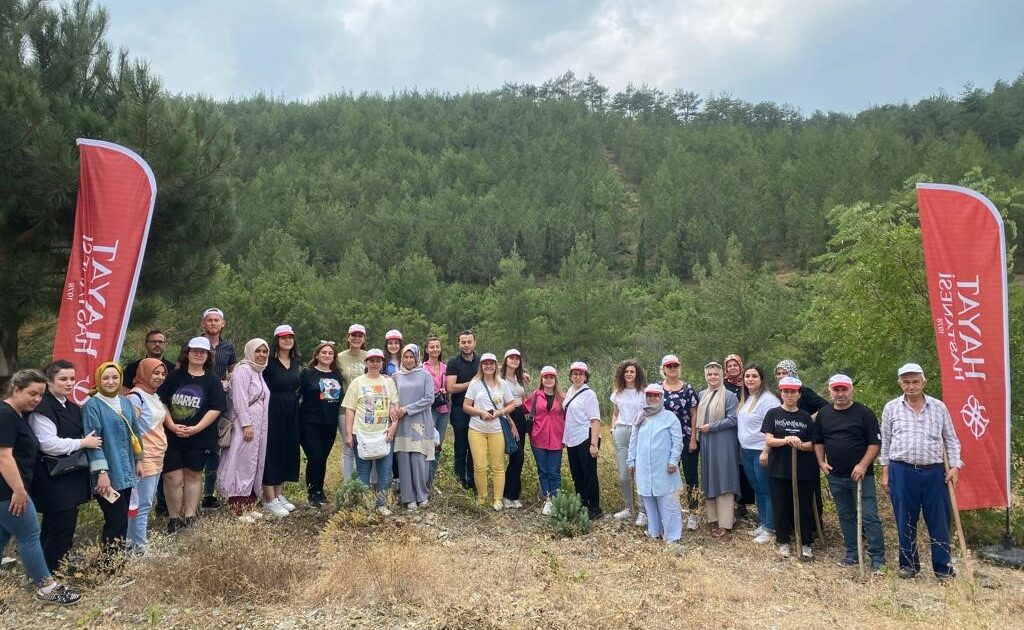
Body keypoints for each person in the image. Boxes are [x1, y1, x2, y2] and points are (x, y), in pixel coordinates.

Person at [0, 369, 82, 605]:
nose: (37, 399)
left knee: (2, 539)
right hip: (9, 491)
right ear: (16, 389)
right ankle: (47, 587)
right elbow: (4, 457)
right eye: (32, 394)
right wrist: (18, 490)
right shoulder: (5, 414)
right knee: (30, 537)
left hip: (11, 489)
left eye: (40, 395)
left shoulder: (16, 414)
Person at [880, 363, 961, 580]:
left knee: (939, 520)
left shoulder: (939, 407)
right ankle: (909, 565)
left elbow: (951, 439)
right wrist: (885, 471)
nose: (911, 386)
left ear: (924, 382)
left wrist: (954, 466)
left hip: (935, 472)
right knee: (905, 519)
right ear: (900, 383)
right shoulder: (891, 408)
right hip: (901, 470)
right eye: (906, 382)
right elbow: (885, 442)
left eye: (915, 381)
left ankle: (943, 568)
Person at [28, 360, 99, 574]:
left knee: (62, 523)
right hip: (51, 476)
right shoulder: (43, 408)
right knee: (58, 526)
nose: (69, 383)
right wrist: (81, 443)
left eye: (72, 379)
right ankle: (51, 571)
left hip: (71, 474)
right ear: (49, 381)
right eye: (63, 379)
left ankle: (53, 566)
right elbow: (47, 443)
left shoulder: (71, 406)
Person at [813, 374, 886, 572]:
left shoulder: (864, 413)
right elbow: (818, 440)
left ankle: (878, 558)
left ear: (851, 389)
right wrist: (821, 462)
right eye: (836, 390)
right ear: (830, 391)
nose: (840, 393)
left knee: (869, 516)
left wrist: (862, 465)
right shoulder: (824, 414)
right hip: (835, 475)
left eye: (844, 389)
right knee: (845, 515)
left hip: (862, 476)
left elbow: (875, 443)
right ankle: (852, 552)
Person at [159, 337, 227, 532]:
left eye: (203, 351)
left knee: (193, 476)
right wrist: (171, 425)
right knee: (172, 478)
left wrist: (197, 428)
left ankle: (190, 516)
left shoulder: (212, 380)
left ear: (208, 356)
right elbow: (162, 402)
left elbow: (216, 408)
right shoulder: (174, 376)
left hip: (200, 437)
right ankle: (174, 518)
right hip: (172, 436)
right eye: (194, 350)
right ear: (187, 353)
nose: (198, 354)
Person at [81, 362, 144, 567]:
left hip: (126, 469)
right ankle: (109, 566)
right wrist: (101, 472)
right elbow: (93, 442)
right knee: (115, 519)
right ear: (99, 380)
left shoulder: (125, 402)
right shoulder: (93, 405)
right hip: (107, 473)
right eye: (106, 378)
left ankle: (116, 562)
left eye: (115, 378)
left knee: (123, 519)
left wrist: (139, 460)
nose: (110, 382)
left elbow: (135, 432)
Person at [216, 339, 272, 521]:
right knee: (241, 463)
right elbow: (239, 399)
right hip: (244, 426)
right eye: (258, 351)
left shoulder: (258, 372)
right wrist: (246, 424)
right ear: (249, 351)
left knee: (253, 463)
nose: (261, 355)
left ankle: (249, 503)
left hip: (259, 425)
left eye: (265, 351)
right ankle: (238, 506)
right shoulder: (243, 370)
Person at [762, 376, 817, 559]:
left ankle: (806, 542)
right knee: (781, 506)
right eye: (786, 391)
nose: (789, 395)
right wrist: (786, 440)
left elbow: (813, 444)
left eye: (793, 391)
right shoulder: (773, 414)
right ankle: (783, 541)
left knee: (804, 507)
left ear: (799, 394)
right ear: (781, 394)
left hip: (803, 470)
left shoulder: (805, 417)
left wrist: (800, 444)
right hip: (779, 468)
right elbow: (769, 440)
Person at [342, 348, 399, 515]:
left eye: (378, 361)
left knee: (385, 471)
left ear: (382, 363)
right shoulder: (358, 383)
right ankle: (363, 505)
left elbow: (394, 407)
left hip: (384, 433)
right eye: (371, 361)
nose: (374, 364)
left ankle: (381, 504)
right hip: (361, 433)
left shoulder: (388, 382)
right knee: (363, 472)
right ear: (366, 363)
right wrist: (348, 433)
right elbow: (350, 409)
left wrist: (393, 427)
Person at [628, 384, 684, 546]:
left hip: (664, 466)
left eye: (656, 396)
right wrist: (631, 461)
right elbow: (634, 441)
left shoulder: (669, 417)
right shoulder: (641, 417)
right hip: (644, 466)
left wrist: (673, 460)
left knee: (668, 500)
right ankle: (655, 530)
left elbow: (677, 441)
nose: (653, 399)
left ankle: (673, 535)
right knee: (648, 497)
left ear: (661, 397)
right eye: (650, 395)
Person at [463, 353, 517, 511]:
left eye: (491, 363)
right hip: (477, 429)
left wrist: (499, 413)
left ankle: (498, 499)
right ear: (481, 366)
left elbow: (511, 404)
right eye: (485, 363)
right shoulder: (475, 383)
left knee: (498, 466)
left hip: (496, 429)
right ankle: (482, 497)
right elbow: (466, 406)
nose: (488, 366)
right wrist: (480, 412)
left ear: (496, 365)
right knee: (479, 466)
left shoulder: (502, 384)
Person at [125, 359, 170, 550]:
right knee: (141, 505)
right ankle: (138, 548)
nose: (159, 377)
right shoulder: (136, 396)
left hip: (157, 454)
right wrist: (137, 459)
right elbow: (130, 429)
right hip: (145, 457)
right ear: (144, 372)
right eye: (155, 373)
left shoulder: (153, 395)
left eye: (162, 373)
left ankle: (132, 545)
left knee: (144, 504)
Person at [693, 361, 739, 538]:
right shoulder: (702, 394)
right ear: (706, 376)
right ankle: (714, 518)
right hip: (706, 443)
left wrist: (712, 427)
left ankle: (726, 522)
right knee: (710, 476)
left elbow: (733, 420)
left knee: (724, 477)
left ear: (721, 376)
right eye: (709, 374)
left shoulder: (729, 396)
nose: (712, 377)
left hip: (724, 442)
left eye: (716, 374)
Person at [736, 364, 779, 545]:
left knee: (766, 489)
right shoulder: (747, 399)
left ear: (761, 379)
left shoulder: (768, 400)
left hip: (761, 451)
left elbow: (774, 429)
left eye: (754, 376)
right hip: (746, 451)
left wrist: (766, 451)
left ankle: (771, 528)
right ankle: (764, 523)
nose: (750, 379)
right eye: (747, 376)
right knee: (757, 489)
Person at [658, 355, 700, 530]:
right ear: (664, 369)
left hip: (685, 437)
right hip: (664, 440)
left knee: (691, 476)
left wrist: (693, 440)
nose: (672, 369)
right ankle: (669, 511)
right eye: (669, 366)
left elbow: (694, 415)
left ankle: (693, 513)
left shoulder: (688, 389)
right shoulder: (658, 389)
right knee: (667, 476)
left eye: (675, 365)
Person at [200, 308, 237, 510]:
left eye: (217, 320)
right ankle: (191, 492)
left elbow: (233, 372)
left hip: (219, 402)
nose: (213, 323)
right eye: (209, 320)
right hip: (197, 401)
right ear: (203, 324)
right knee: (197, 446)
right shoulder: (194, 345)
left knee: (215, 448)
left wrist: (227, 382)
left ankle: (209, 493)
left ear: (223, 324)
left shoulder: (228, 347)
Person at [262, 325, 301, 514]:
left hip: (291, 409)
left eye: (290, 337)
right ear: (276, 339)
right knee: (272, 450)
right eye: (283, 337)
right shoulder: (268, 362)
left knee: (286, 449)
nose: (287, 340)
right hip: (272, 409)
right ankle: (268, 497)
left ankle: (279, 494)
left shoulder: (294, 362)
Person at [299, 341, 342, 509]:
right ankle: (311, 491)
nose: (327, 355)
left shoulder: (337, 375)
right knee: (315, 456)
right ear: (317, 355)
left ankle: (320, 490)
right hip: (310, 422)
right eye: (323, 352)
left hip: (329, 423)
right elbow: (298, 395)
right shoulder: (308, 373)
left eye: (330, 353)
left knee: (323, 458)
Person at [392, 344, 435, 510]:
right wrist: (396, 411)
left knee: (418, 458)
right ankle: (408, 497)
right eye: (406, 357)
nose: (408, 360)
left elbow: (429, 398)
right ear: (402, 358)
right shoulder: (396, 377)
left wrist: (407, 409)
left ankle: (422, 494)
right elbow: (393, 399)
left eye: (411, 357)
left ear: (416, 358)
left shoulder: (425, 375)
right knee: (403, 459)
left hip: (420, 422)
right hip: (402, 423)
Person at [563, 361, 602, 520]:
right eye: (575, 374)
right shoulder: (570, 391)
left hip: (586, 437)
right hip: (572, 439)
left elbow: (595, 420)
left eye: (581, 374)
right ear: (571, 376)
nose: (577, 376)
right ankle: (582, 503)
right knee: (576, 474)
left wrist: (593, 444)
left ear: (586, 377)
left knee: (589, 474)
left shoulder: (589, 394)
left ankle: (594, 507)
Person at [524, 366, 565, 515]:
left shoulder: (562, 397)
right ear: (541, 379)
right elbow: (522, 407)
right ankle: (548, 499)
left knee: (554, 471)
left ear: (555, 379)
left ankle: (557, 500)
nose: (548, 380)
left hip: (556, 437)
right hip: (538, 437)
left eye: (551, 377)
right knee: (543, 471)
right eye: (546, 377)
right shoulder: (535, 395)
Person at [610, 359, 647, 526]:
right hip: (622, 431)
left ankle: (643, 511)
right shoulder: (618, 393)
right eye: (626, 372)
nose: (629, 374)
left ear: (637, 373)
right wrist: (613, 428)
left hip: (638, 431)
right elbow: (616, 413)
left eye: (632, 371)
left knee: (638, 472)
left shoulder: (644, 393)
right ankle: (627, 508)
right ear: (622, 374)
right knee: (624, 475)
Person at [446, 330, 480, 490]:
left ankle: (473, 482)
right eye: (463, 342)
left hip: (479, 411)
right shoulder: (453, 363)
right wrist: (472, 383)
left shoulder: (481, 360)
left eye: (469, 342)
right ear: (459, 344)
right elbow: (451, 387)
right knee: (460, 447)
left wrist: (521, 374)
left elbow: (498, 371)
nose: (466, 345)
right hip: (460, 410)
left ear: (474, 343)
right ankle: (459, 483)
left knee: (475, 447)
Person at [336, 323, 368, 481]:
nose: (356, 338)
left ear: (364, 338)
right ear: (348, 337)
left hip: (366, 408)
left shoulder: (369, 356)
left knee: (365, 445)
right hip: (345, 408)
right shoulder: (339, 357)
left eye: (360, 335)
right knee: (349, 447)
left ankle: (363, 483)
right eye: (353, 335)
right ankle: (349, 485)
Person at [501, 349, 530, 509]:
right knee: (516, 455)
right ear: (505, 359)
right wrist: (511, 423)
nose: (514, 360)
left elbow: (523, 398)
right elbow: (501, 403)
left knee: (519, 457)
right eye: (511, 358)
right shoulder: (500, 378)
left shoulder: (519, 378)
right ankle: (507, 494)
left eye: (517, 358)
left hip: (520, 415)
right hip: (507, 416)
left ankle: (514, 494)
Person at [422, 335, 449, 493]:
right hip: (429, 410)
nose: (434, 349)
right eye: (431, 347)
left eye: (437, 346)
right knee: (427, 444)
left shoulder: (446, 368)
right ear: (426, 349)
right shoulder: (422, 368)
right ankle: (422, 482)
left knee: (438, 446)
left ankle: (430, 482)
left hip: (444, 410)